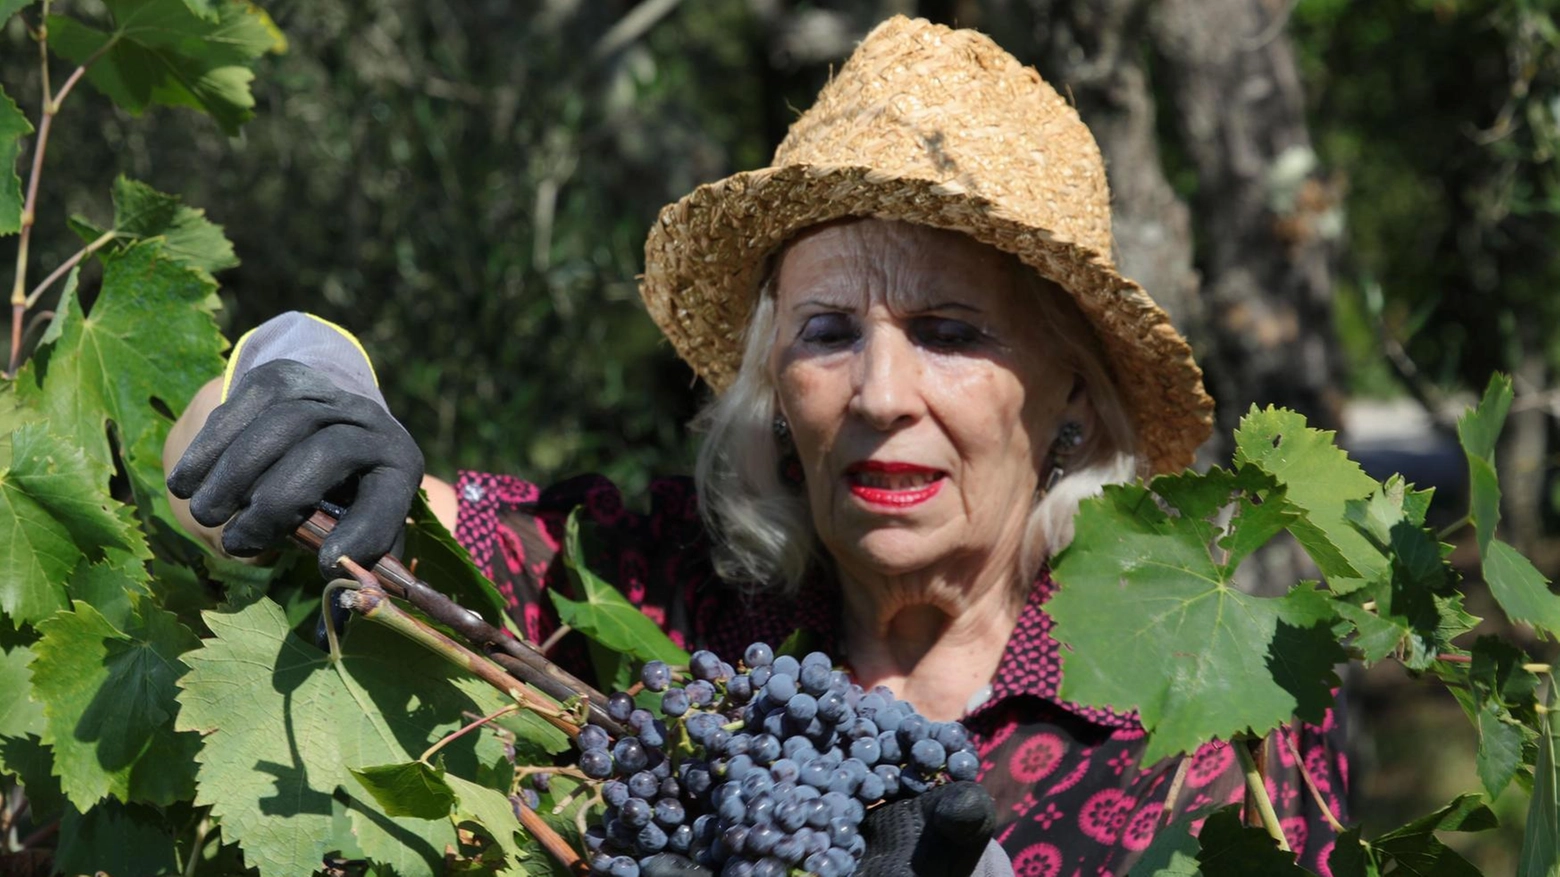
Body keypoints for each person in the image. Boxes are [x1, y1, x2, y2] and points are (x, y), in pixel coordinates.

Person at [165, 16, 1347, 876]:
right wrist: (297, 388)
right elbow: (247, 482)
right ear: (775, 388)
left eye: (948, 333)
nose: (880, 393)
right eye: (829, 332)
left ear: (1071, 396)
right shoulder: (655, 591)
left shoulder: (1216, 730)